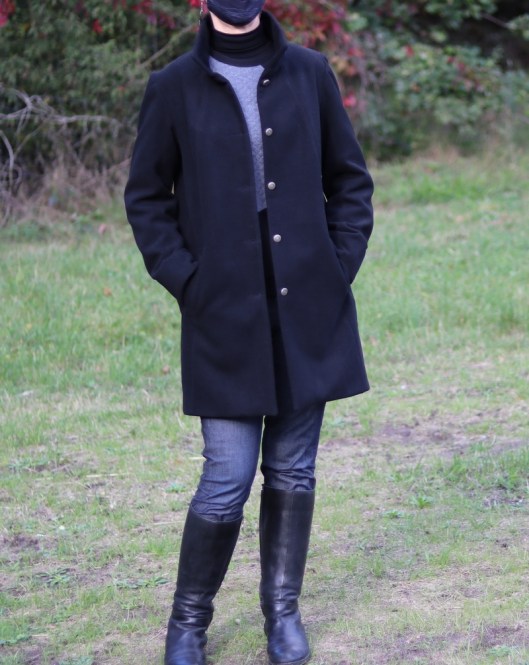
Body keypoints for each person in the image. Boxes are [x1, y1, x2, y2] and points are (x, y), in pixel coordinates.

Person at [124, 0, 374, 663]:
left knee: (292, 468)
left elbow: (350, 183)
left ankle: (281, 615)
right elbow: (146, 200)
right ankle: (187, 626)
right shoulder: (173, 87)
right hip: (223, 317)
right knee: (226, 476)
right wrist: (189, 281)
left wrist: (336, 267)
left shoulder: (310, 73)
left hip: (306, 310)